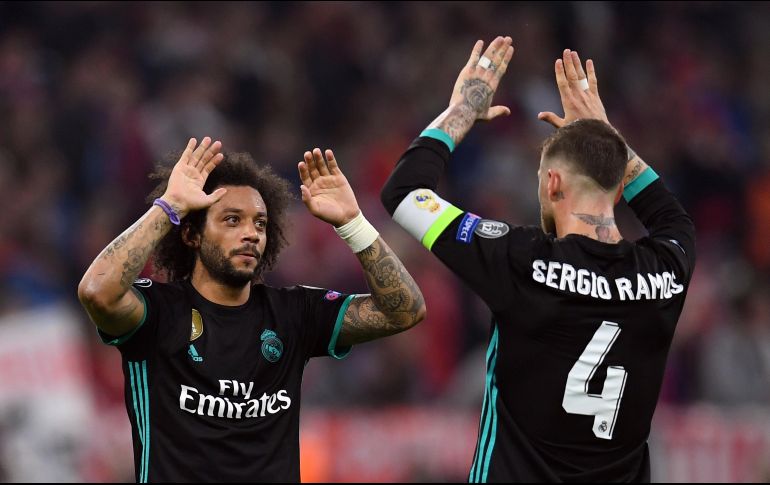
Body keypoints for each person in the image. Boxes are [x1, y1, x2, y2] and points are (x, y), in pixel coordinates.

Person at [381, 36, 696, 482]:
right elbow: (671, 217)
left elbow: (405, 193)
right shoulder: (665, 271)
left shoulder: (520, 258)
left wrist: (462, 111)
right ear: (618, 182)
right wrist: (606, 139)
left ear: (552, 183)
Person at [78, 138, 426, 482]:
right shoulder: (158, 312)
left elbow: (404, 310)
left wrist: (353, 223)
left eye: (260, 224)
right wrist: (168, 206)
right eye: (232, 220)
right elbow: (97, 292)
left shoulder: (293, 314)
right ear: (191, 236)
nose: (251, 234)